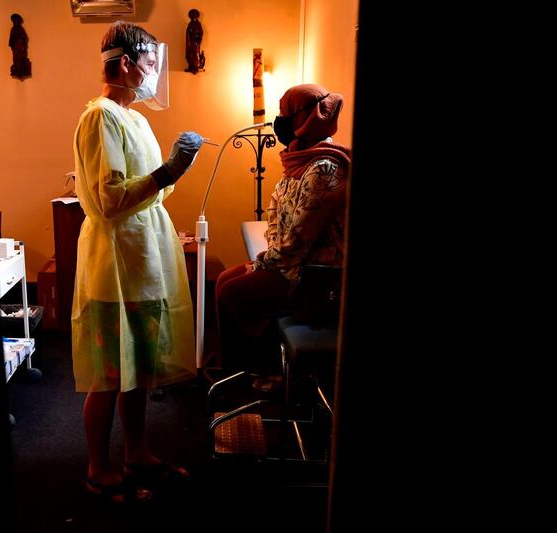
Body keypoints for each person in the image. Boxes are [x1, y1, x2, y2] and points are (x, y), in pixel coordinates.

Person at [71, 21, 203, 504]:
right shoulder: (100, 117)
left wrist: (175, 170)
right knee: (110, 373)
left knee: (139, 368)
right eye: (148, 63)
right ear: (125, 62)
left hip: (144, 259)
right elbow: (109, 200)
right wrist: (166, 170)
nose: (152, 73)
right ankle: (97, 468)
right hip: (114, 264)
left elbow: (154, 190)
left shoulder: (137, 119)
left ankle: (136, 452)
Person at [215, 83, 351, 371]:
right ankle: (240, 370)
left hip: (314, 276)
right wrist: (268, 258)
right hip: (291, 265)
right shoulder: (299, 157)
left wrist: (264, 263)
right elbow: (275, 211)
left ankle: (258, 374)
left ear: (309, 118)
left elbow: (299, 239)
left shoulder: (325, 168)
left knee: (232, 293)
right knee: (224, 280)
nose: (281, 121)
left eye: (287, 113)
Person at [9, 13, 30, 79]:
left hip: (20, 46)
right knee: (15, 57)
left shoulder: (21, 29)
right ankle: (17, 68)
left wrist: (21, 39)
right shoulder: (13, 29)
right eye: (14, 21)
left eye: (16, 20)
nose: (15, 22)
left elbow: (24, 37)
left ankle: (21, 69)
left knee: (21, 57)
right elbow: (11, 38)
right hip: (15, 47)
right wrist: (12, 40)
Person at [184, 9, 205, 74]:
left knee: (196, 54)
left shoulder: (198, 24)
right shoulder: (190, 24)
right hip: (190, 42)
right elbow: (188, 33)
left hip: (195, 42)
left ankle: (196, 67)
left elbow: (201, 33)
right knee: (190, 54)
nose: (193, 16)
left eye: (194, 15)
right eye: (191, 15)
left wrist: (198, 39)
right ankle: (191, 67)